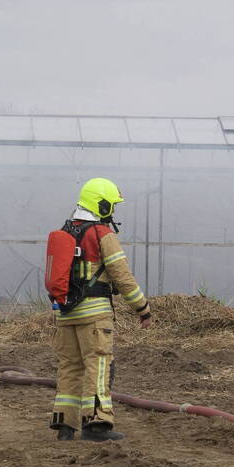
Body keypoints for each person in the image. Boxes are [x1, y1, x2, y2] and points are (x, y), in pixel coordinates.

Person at [50, 178, 151, 441]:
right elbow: (122, 276)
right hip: (94, 315)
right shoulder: (102, 234)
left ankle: (65, 425)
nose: (113, 211)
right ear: (101, 204)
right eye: (112, 205)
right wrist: (142, 308)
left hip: (65, 313)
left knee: (70, 367)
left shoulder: (66, 229)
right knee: (98, 365)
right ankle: (96, 425)